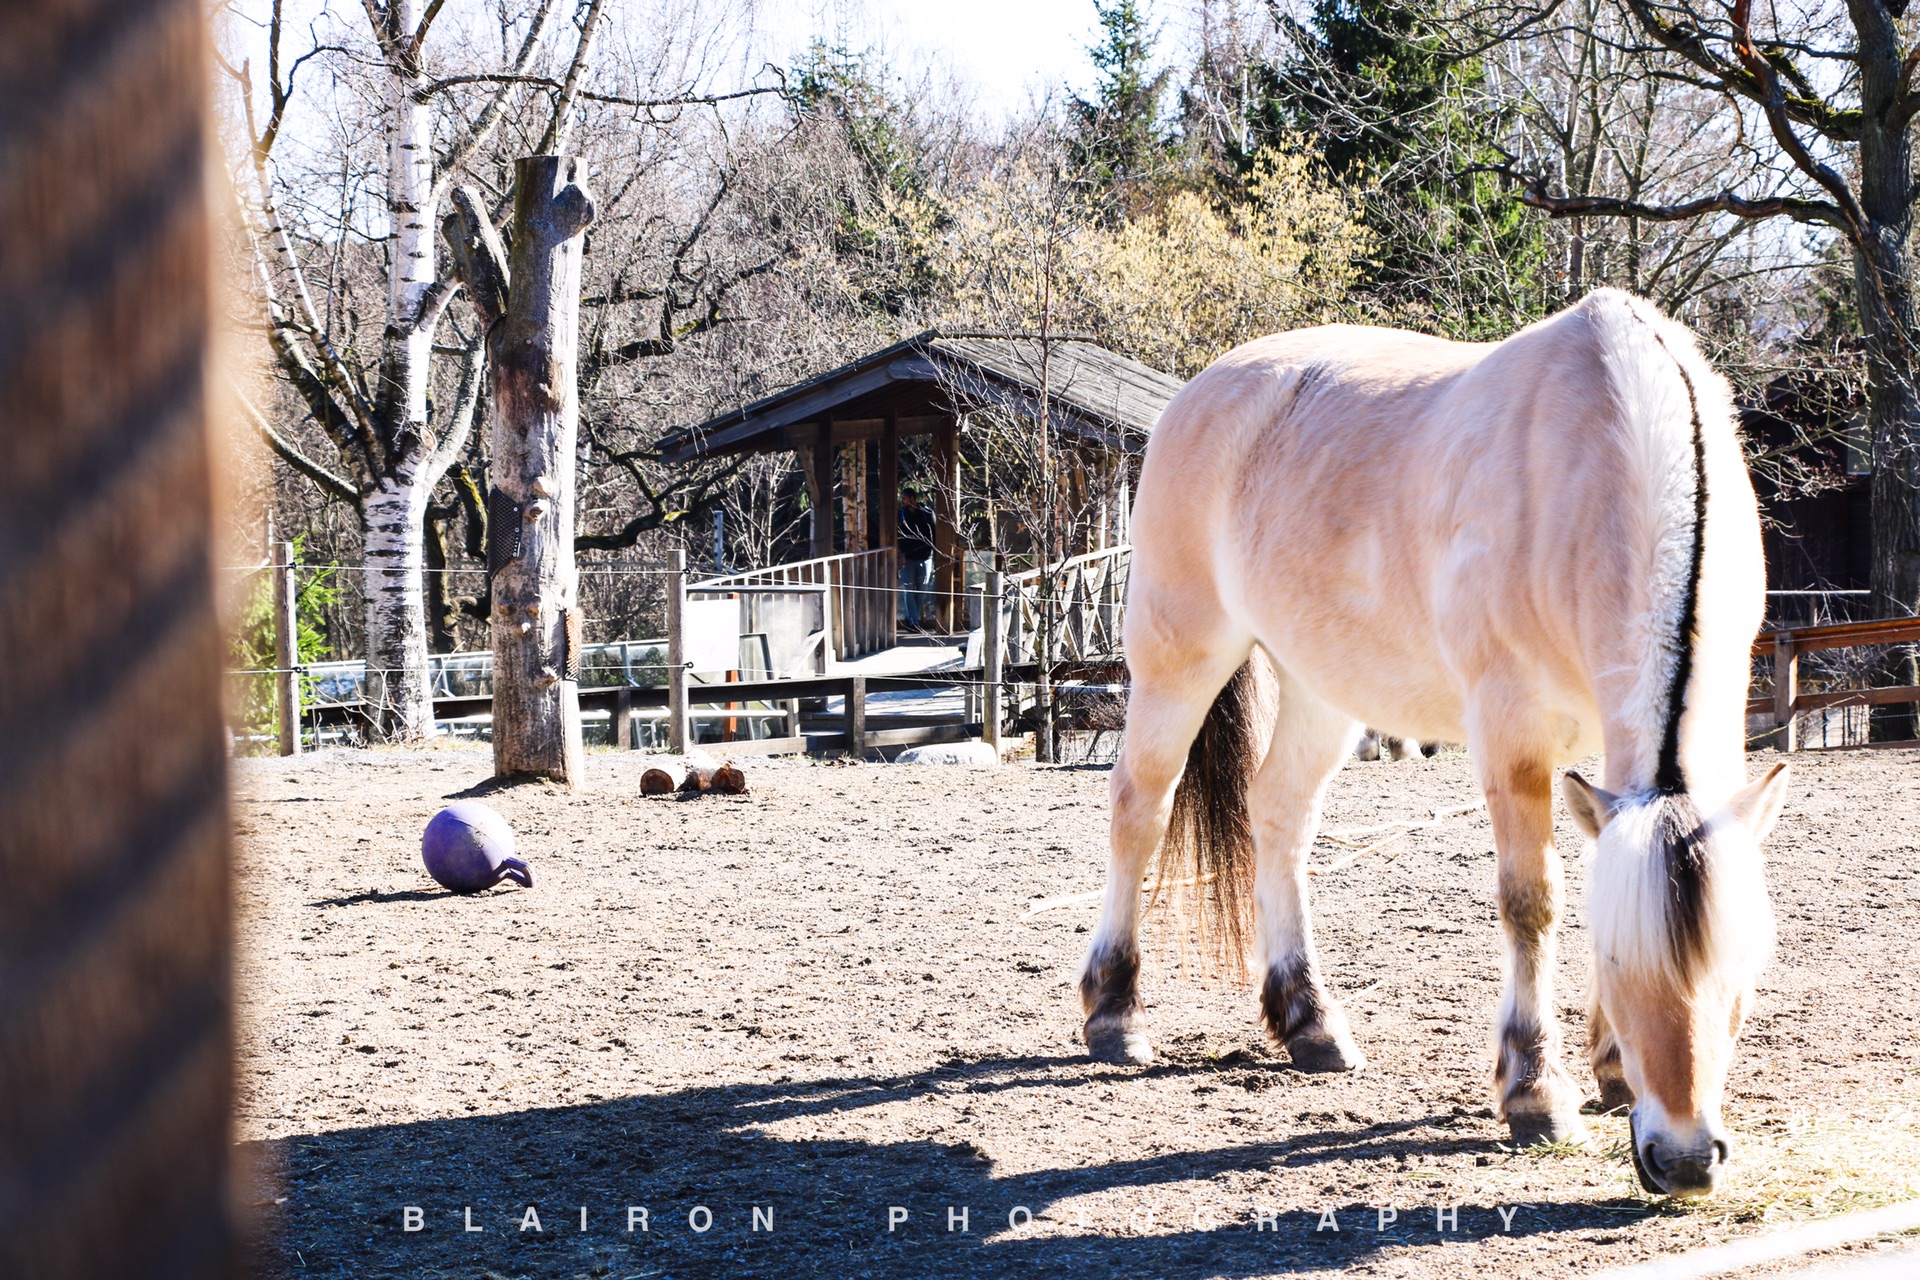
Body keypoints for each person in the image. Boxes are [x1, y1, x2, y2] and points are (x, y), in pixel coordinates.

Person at [897, 485, 937, 631]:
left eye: (905, 499)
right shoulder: (901, 514)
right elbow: (896, 534)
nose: (903, 502)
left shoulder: (927, 513)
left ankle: (911, 618)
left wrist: (934, 553)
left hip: (925, 557)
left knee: (922, 590)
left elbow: (935, 534)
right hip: (907, 558)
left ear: (913, 499)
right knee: (909, 590)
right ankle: (913, 621)